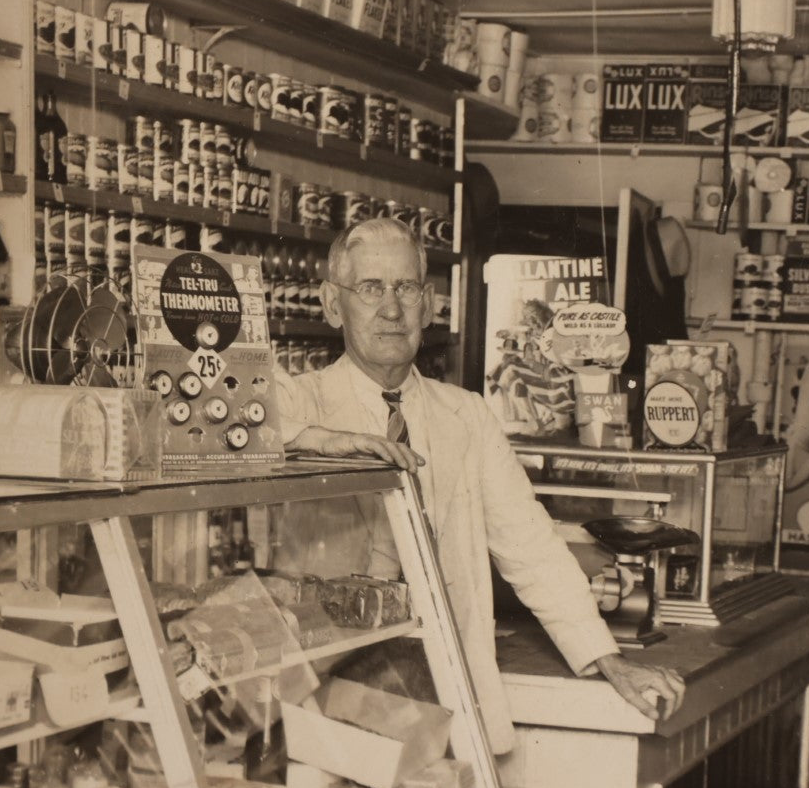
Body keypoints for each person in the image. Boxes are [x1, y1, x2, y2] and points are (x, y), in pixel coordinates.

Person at [275, 217, 684, 753]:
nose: (391, 309)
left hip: (445, 692)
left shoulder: (465, 415)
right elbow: (220, 432)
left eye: (406, 288)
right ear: (333, 305)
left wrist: (610, 660)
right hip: (328, 694)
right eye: (370, 289)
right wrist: (315, 438)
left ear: (428, 303)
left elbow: (531, 547)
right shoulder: (301, 401)